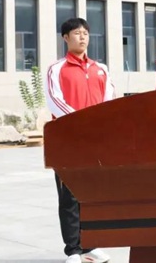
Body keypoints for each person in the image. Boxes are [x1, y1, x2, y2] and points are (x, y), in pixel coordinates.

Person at [45, 17, 114, 263]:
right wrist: (82, 123)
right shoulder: (57, 69)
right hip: (68, 143)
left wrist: (98, 126)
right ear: (65, 38)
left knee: (92, 195)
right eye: (76, 33)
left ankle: (90, 246)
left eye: (85, 33)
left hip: (95, 143)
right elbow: (55, 101)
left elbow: (109, 100)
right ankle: (74, 250)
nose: (82, 37)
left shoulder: (100, 69)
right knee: (70, 197)